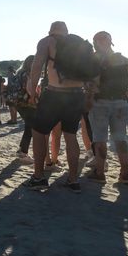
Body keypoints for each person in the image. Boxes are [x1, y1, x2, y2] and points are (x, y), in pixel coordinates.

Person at [24, 21, 84, 193]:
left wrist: (32, 92)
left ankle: (39, 177)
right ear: (67, 31)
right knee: (71, 136)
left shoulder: (47, 41)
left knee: (39, 132)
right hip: (77, 94)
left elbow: (36, 67)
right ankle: (73, 180)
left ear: (51, 31)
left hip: (55, 94)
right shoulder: (78, 43)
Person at [87, 31, 128, 185]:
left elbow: (90, 82)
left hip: (100, 102)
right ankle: (125, 173)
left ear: (95, 42)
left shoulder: (94, 58)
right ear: (111, 42)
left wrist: (88, 96)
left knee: (100, 138)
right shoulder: (121, 58)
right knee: (120, 137)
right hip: (120, 102)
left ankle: (100, 173)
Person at [14, 56, 36, 164]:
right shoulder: (27, 73)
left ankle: (21, 150)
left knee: (29, 126)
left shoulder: (19, 73)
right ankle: (23, 152)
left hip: (18, 102)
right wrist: (35, 97)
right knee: (30, 127)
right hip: (26, 102)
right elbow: (29, 89)